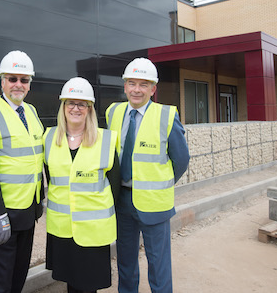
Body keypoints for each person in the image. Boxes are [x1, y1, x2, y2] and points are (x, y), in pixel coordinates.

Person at [105, 58, 190, 293]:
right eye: (132, 83)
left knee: (159, 264)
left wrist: (158, 183)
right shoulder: (113, 112)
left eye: (144, 84)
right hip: (122, 200)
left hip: (154, 203)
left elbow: (181, 160)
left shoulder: (166, 116)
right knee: (125, 261)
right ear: (124, 86)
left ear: (153, 89)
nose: (136, 89)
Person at [0, 50, 45, 293]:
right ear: (2, 80)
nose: (18, 85)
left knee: (18, 276)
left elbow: (36, 159)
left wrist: (39, 201)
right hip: (1, 215)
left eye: (24, 80)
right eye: (12, 79)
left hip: (26, 211)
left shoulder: (32, 112)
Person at [43, 77, 120, 293]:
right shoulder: (49, 138)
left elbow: (114, 184)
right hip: (63, 228)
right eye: (70, 103)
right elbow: (52, 177)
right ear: (63, 106)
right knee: (70, 282)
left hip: (93, 230)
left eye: (81, 104)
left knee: (88, 285)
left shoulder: (105, 140)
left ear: (89, 109)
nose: (75, 108)